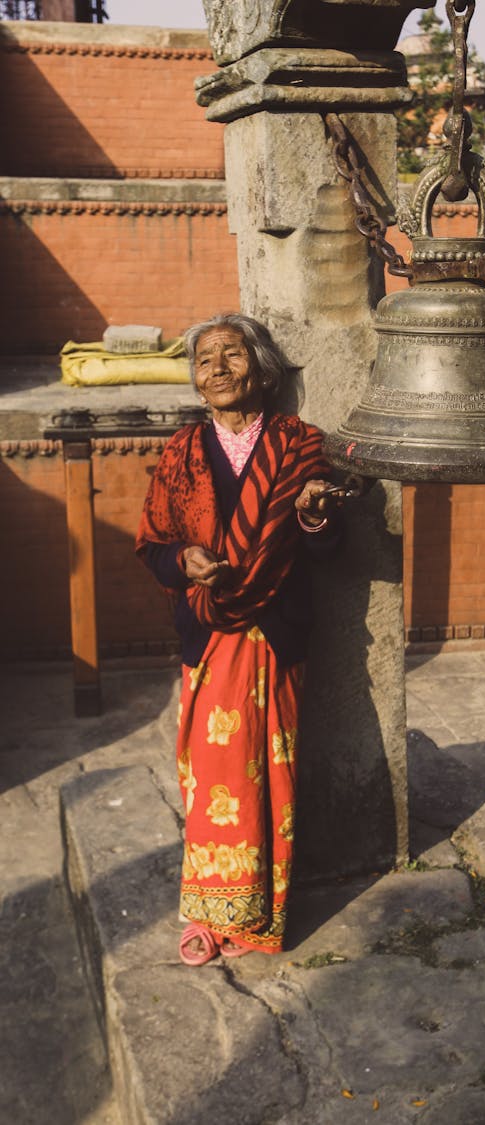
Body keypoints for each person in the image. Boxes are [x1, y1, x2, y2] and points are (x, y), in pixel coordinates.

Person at [136, 313, 342, 965]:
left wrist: (313, 517)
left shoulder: (300, 446)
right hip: (209, 632)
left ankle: (255, 914)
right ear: (195, 382)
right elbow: (152, 544)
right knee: (211, 775)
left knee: (266, 775)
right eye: (204, 361)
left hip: (272, 634)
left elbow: (328, 545)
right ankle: (204, 910)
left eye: (230, 354)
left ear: (262, 367)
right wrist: (185, 561)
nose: (217, 369)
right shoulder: (180, 453)